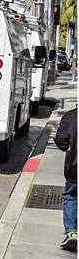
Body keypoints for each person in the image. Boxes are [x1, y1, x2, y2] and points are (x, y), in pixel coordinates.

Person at [55, 107, 77, 251]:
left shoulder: (71, 116)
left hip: (75, 168)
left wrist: (68, 148)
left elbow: (61, 139)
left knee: (71, 197)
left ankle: (72, 232)